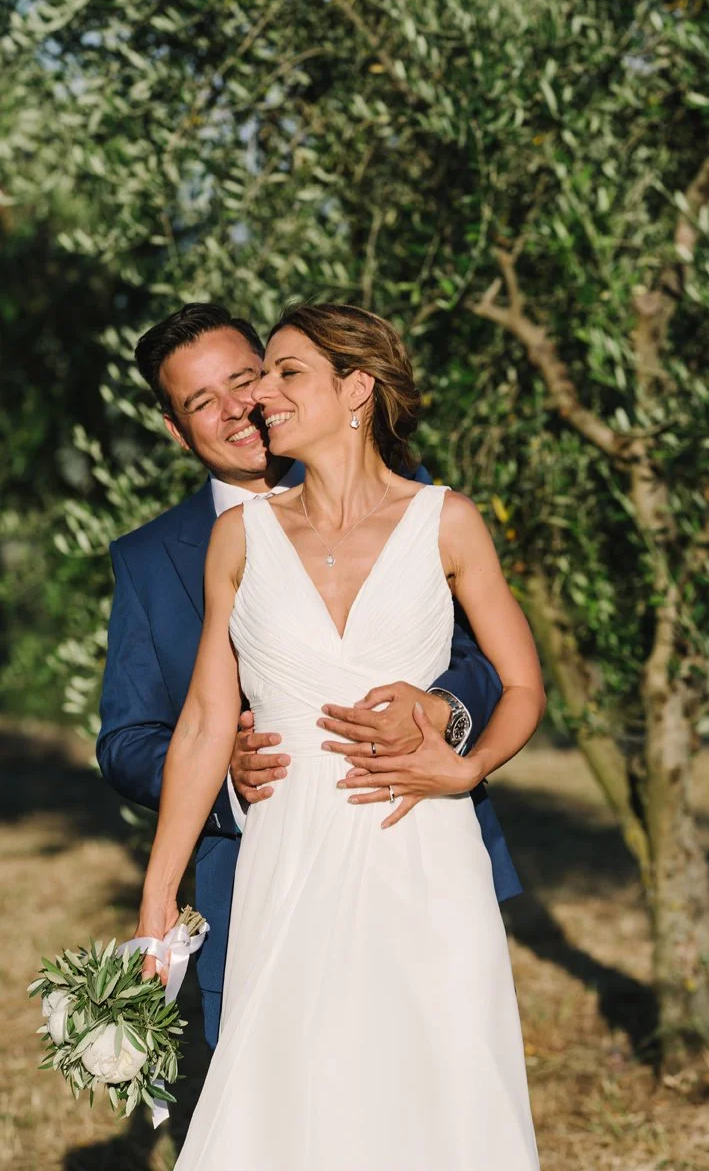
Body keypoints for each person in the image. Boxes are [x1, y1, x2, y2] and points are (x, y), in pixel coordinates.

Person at [136, 303, 545, 1169]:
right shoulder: (236, 538)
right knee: (288, 1099)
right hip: (288, 857)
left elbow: (518, 683)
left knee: (438, 1093)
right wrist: (158, 892)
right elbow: (207, 720)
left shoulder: (445, 519)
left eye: (283, 375)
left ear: (355, 389)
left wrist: (462, 767)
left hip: (423, 852)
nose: (260, 400)